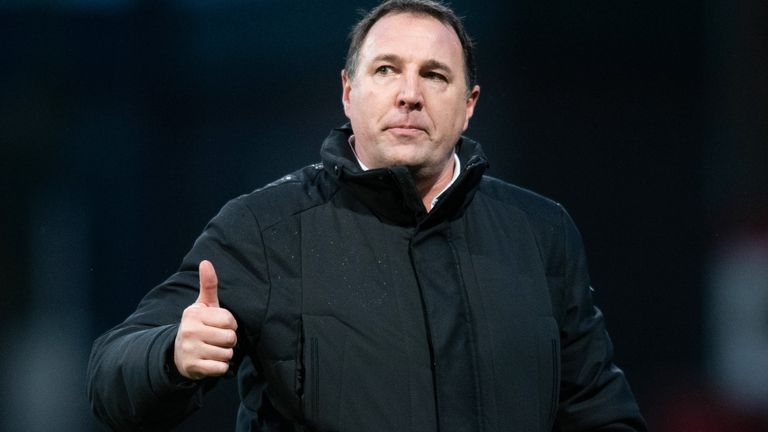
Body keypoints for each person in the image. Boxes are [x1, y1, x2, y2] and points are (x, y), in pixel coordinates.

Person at [87, 1, 647, 431]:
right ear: (348, 92)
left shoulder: (541, 233)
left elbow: (599, 411)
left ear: (469, 103)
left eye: (434, 75)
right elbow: (109, 376)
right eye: (386, 70)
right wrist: (170, 355)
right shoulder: (263, 229)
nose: (409, 94)